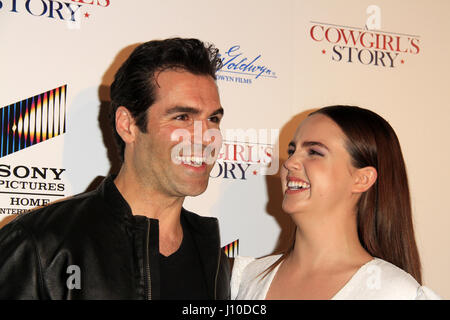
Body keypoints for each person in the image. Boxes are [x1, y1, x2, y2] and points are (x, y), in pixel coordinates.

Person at [0, 38, 230, 299]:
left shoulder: (212, 256)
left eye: (213, 119)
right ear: (128, 125)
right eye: (182, 117)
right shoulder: (40, 246)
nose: (205, 137)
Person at [231, 105, 441, 300]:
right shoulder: (247, 278)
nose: (290, 163)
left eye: (314, 152)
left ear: (362, 179)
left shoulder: (394, 292)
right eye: (292, 151)